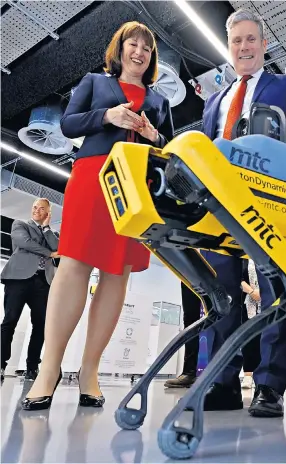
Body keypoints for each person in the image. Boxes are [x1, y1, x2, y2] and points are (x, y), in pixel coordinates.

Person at [22, 21, 174, 410]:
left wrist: (155, 137)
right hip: (93, 177)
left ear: (152, 55)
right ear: (119, 49)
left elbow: (173, 152)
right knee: (74, 264)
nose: (139, 52)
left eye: (146, 47)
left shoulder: (159, 103)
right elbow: (70, 123)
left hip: (136, 186)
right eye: (132, 44)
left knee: (117, 271)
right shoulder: (94, 82)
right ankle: (49, 370)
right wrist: (107, 118)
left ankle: (90, 371)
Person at [197, 8, 286, 417]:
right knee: (222, 295)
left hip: (270, 199)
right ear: (229, 49)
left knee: (273, 290)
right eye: (236, 41)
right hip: (220, 203)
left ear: (264, 45)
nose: (244, 47)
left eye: (251, 39)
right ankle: (225, 383)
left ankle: (269, 385)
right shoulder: (215, 101)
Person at [1, 199, 59, 382]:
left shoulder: (52, 233)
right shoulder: (20, 225)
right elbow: (23, 242)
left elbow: (58, 247)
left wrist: (47, 228)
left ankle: (32, 367)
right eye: (35, 207)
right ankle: (1, 364)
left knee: (41, 326)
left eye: (42, 209)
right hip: (18, 279)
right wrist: (49, 253)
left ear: (48, 213)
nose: (37, 210)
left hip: (43, 282)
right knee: (9, 321)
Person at [239, 259, 262, 389]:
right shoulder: (244, 258)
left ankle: (263, 376)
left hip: (268, 301)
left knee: (265, 339)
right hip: (249, 302)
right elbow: (240, 279)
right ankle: (248, 375)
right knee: (249, 340)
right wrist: (253, 292)